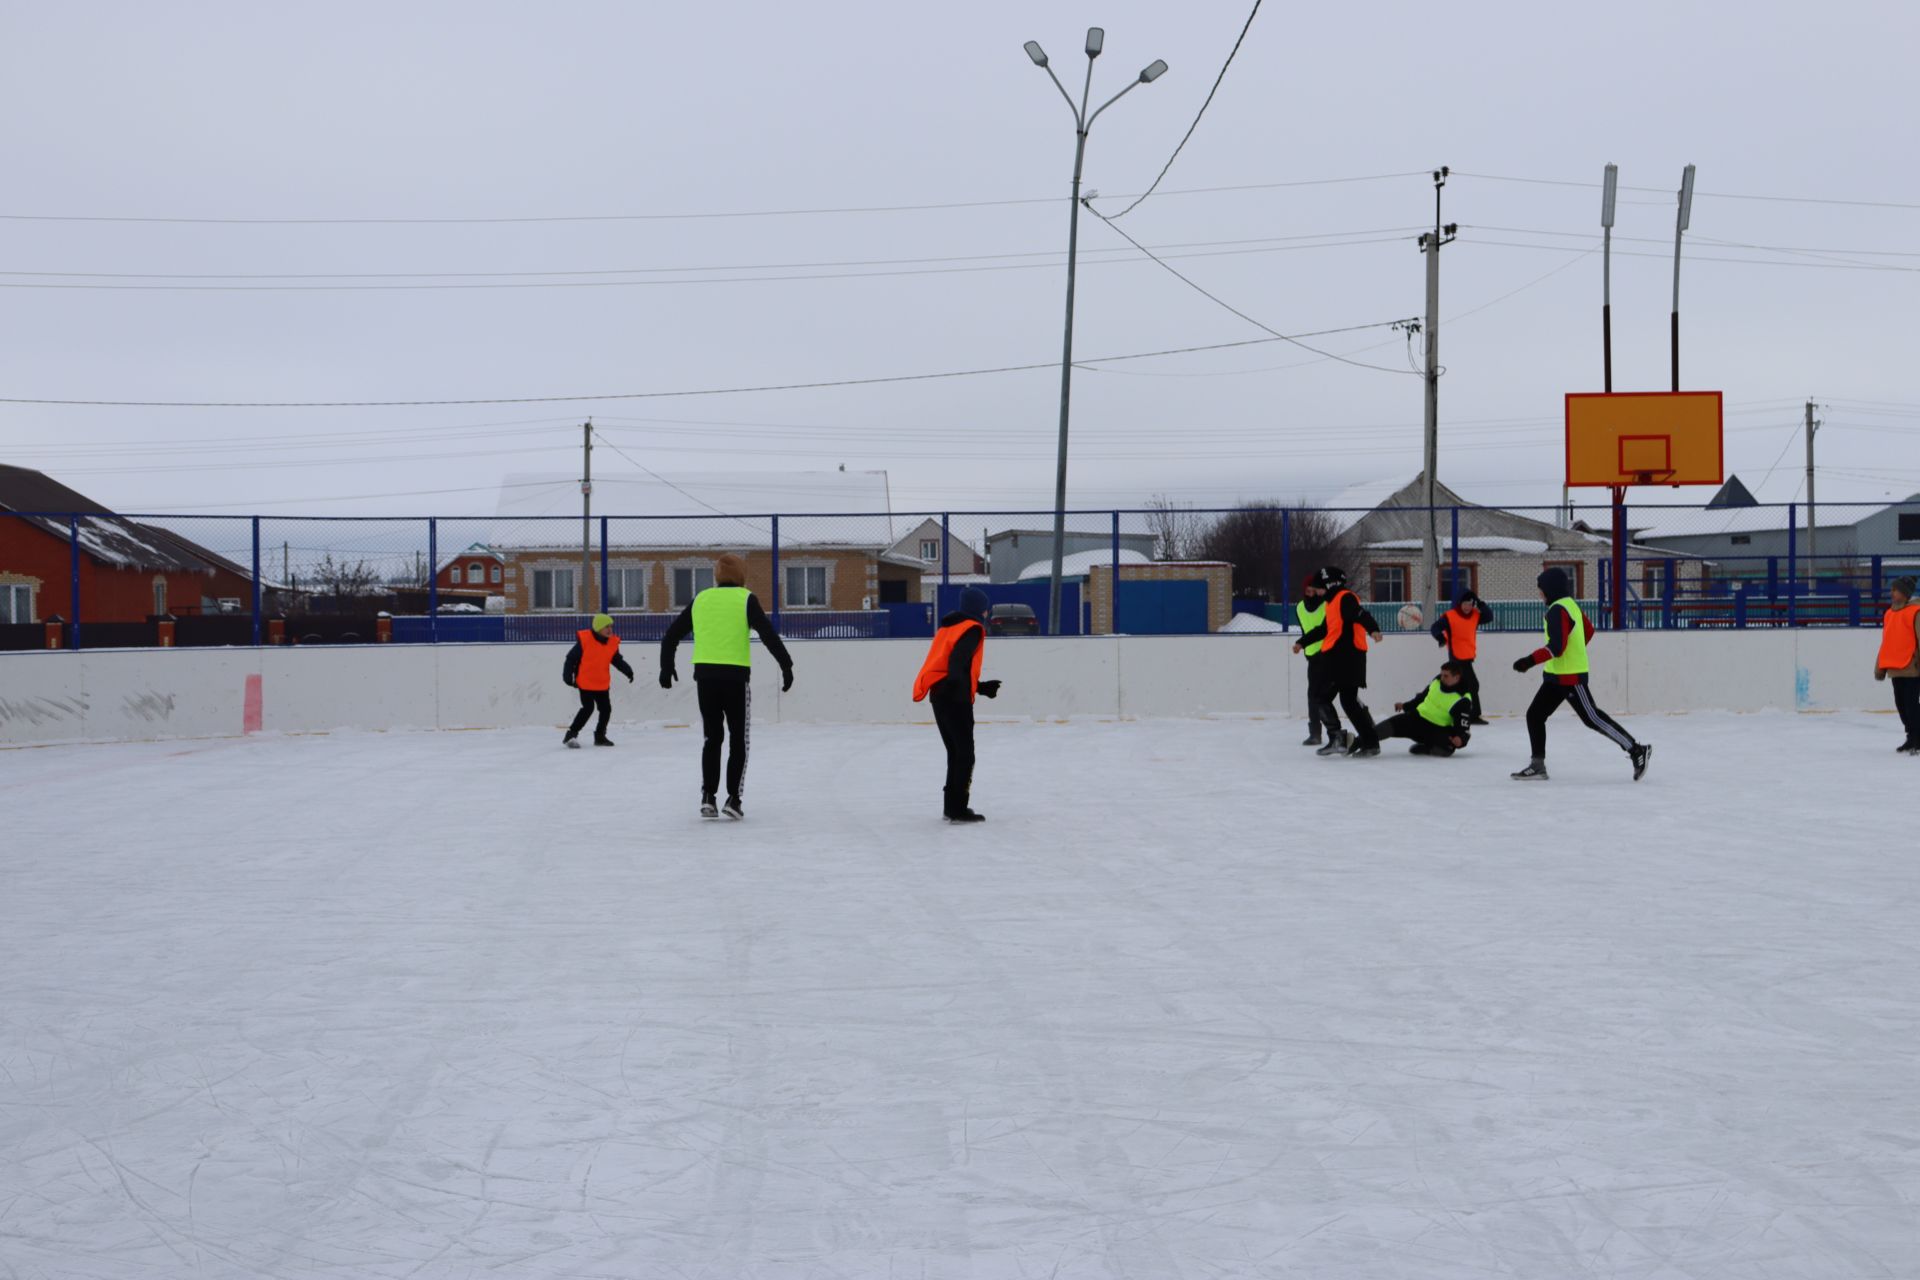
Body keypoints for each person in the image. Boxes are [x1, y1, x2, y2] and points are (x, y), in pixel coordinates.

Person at [659, 553, 794, 819]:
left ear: (717, 576)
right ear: (741, 575)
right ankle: (733, 799)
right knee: (738, 739)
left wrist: (666, 666)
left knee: (712, 738)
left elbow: (672, 634)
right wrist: (786, 665)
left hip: (705, 677)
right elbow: (767, 634)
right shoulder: (745, 599)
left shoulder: (701, 599)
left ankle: (708, 796)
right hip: (735, 678)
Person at [1510, 567, 1651, 781]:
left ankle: (1636, 750)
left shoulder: (1558, 610)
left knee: (1592, 717)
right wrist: (1574, 649)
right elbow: (1588, 631)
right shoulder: (1569, 605)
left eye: (1541, 589)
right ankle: (1537, 765)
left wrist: (1529, 661)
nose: (1540, 594)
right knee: (1535, 715)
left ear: (1550, 589)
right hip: (1556, 676)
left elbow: (1556, 647)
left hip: (1570, 677)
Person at [912, 586, 1003, 823]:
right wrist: (957, 686)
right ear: (979, 609)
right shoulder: (972, 629)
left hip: (939, 695)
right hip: (955, 699)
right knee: (965, 755)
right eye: (985, 609)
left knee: (955, 752)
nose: (987, 613)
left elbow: (955, 667)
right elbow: (957, 662)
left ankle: (951, 807)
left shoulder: (948, 627)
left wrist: (981, 688)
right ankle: (958, 809)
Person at [1293, 566, 1382, 757]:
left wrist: (1373, 629)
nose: (1316, 592)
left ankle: (1351, 740)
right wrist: (1302, 641)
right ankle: (1352, 740)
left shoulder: (1345, 598)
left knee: (1331, 698)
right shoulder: (1332, 602)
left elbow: (1360, 614)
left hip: (1347, 658)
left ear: (1330, 584)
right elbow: (1324, 629)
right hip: (1338, 658)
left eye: (1319, 587)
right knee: (1334, 699)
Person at [561, 613, 634, 747]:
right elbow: (570, 658)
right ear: (598, 628)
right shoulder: (585, 641)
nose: (610, 629)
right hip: (585, 682)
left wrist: (628, 671)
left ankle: (600, 736)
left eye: (611, 626)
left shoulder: (612, 643)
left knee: (606, 709)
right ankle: (571, 735)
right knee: (588, 708)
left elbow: (617, 660)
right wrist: (567, 675)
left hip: (601, 683)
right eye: (606, 626)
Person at [1376, 660, 1475, 756]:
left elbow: (1464, 726)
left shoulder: (1462, 699)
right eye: (1441, 674)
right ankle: (1365, 742)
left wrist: (1461, 740)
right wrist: (1405, 706)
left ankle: (1427, 749)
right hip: (1417, 719)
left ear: (1456, 677)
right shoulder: (1436, 682)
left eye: (1446, 676)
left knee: (1448, 747)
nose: (1442, 678)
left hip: (1437, 729)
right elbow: (1421, 698)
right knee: (1388, 726)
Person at [1295, 572, 1344, 748]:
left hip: (1329, 654)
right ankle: (1315, 733)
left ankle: (1334, 732)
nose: (1310, 593)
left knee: (1341, 692)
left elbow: (1327, 629)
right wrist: (1303, 646)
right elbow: (1305, 630)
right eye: (1307, 590)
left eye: (1312, 589)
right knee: (1313, 695)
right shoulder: (1299, 607)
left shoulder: (1327, 605)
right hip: (1313, 657)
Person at [1873, 575, 1920, 753]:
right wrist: (1880, 668)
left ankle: (1917, 737)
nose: (1891, 592)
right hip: (1895, 667)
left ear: (1905, 593)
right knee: (1901, 705)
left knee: (1911, 705)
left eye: (1895, 589)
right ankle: (1911, 736)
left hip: (1911, 668)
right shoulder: (1889, 614)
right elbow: (1887, 642)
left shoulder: (1915, 612)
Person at [1430, 589, 1490, 723]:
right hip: (1456, 658)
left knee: (1457, 686)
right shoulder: (1450, 616)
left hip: (1467, 657)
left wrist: (1480, 603)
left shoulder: (1475, 615)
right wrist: (1440, 638)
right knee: (1472, 685)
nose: (1468, 607)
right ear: (1459, 603)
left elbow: (1489, 617)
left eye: (1470, 604)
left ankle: (1446, 709)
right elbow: (1435, 627)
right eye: (1465, 604)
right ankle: (1473, 715)